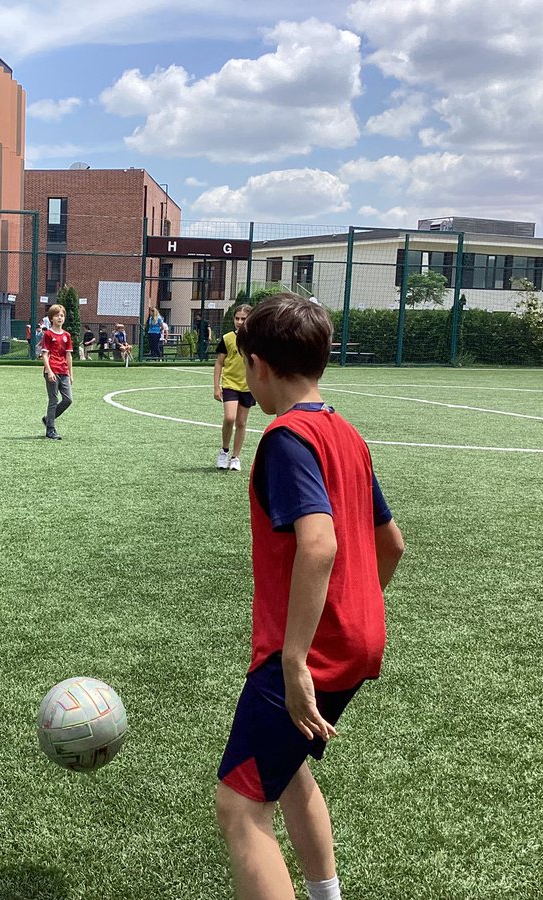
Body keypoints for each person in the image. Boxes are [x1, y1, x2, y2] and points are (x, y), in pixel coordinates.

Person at [215, 294, 405, 900]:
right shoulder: (347, 434)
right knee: (286, 768)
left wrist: (296, 660)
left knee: (241, 806)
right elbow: (392, 546)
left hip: (307, 655)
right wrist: (354, 613)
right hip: (356, 644)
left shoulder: (286, 438)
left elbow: (318, 544)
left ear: (258, 365)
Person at [214, 304, 255, 472]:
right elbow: (219, 363)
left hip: (248, 386)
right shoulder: (227, 338)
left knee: (241, 422)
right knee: (230, 418)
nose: (239, 322)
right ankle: (224, 451)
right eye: (237, 318)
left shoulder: (256, 340)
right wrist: (216, 387)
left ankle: (235, 457)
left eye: (243, 319)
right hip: (230, 383)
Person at [39, 303, 74, 440]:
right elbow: (45, 354)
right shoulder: (48, 334)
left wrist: (71, 373)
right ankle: (50, 430)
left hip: (64, 371)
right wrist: (49, 371)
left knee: (68, 400)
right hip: (52, 370)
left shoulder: (67, 335)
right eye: (57, 315)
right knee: (53, 400)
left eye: (62, 315)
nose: (60, 318)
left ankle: (48, 419)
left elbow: (68, 355)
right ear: (51, 318)